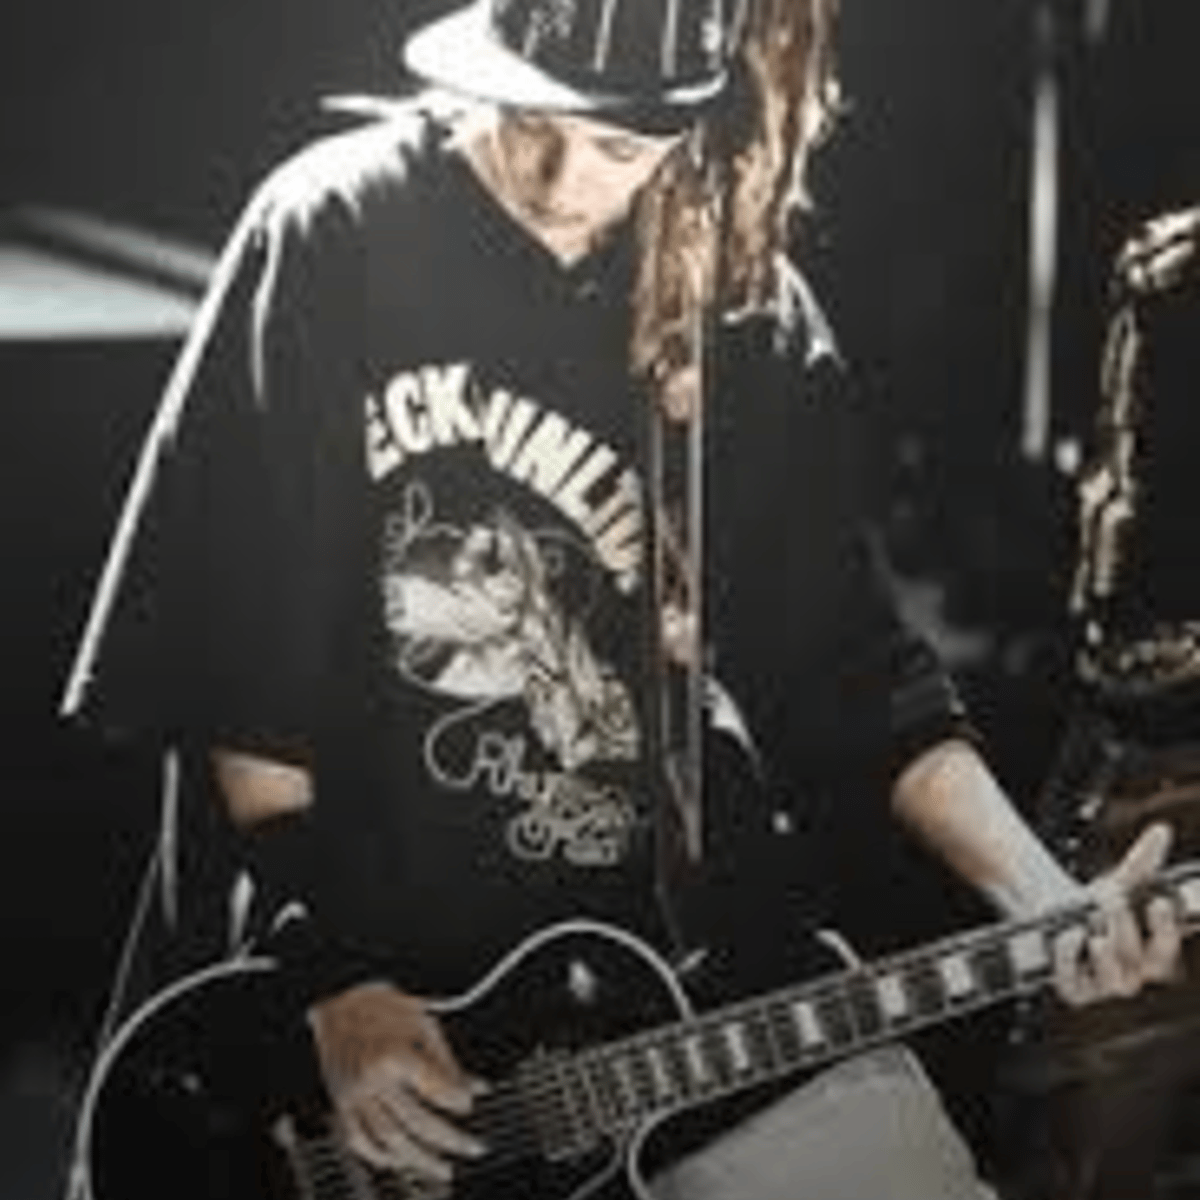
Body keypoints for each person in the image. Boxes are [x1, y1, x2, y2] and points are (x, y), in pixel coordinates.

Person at [63, 0, 1183, 1196]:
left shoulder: (743, 311)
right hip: (353, 996)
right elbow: (240, 664)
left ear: (695, 125)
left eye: (613, 146)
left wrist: (1046, 900)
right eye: (528, 121)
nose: (557, 179)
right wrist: (331, 979)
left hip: (668, 991)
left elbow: (853, 680)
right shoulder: (336, 227)